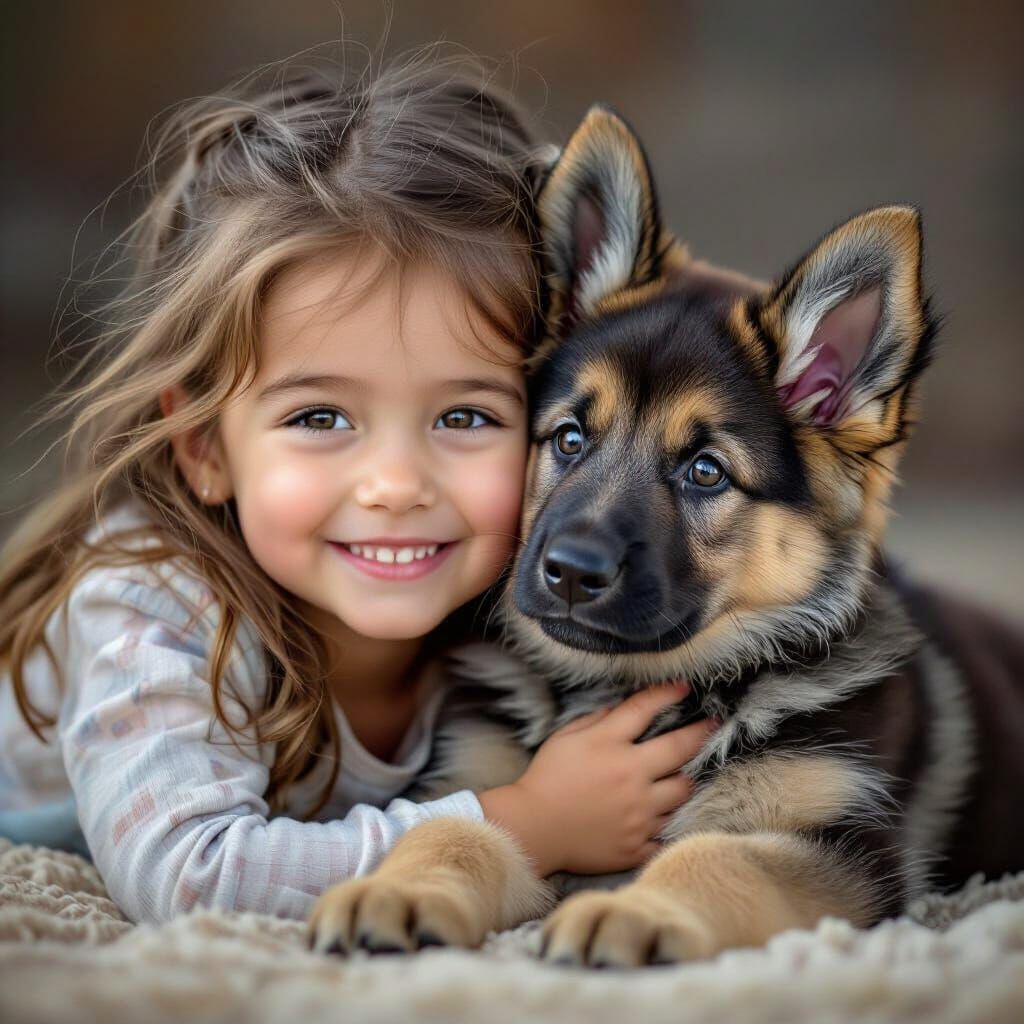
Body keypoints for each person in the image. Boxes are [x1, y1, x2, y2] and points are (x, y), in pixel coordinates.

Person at [0, 46, 716, 925]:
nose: (395, 485)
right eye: (319, 418)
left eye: (465, 418)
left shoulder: (523, 593)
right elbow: (191, 876)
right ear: (204, 447)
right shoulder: (154, 607)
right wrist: (524, 821)